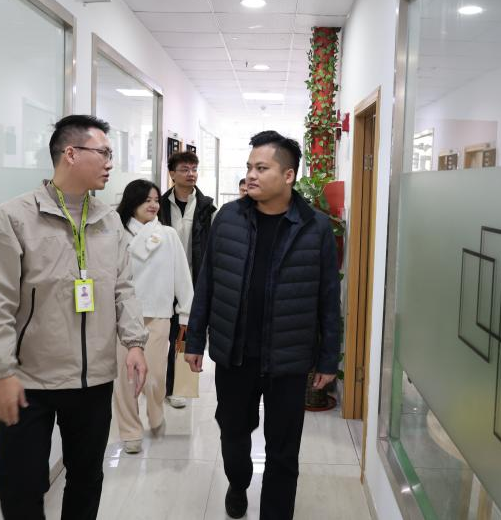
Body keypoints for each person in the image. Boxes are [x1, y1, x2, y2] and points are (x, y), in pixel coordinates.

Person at [0, 114, 148, 520]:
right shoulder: (13, 217)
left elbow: (123, 288)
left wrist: (135, 343)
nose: (110, 163)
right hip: (28, 379)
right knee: (19, 487)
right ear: (71, 153)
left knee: (86, 479)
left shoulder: (109, 221)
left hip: (93, 379)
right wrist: (1, 371)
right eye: (103, 153)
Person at [185, 131, 341, 520]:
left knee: (284, 450)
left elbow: (328, 297)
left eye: (261, 168)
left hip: (289, 359)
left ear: (288, 175)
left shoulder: (316, 227)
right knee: (233, 433)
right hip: (236, 354)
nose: (251, 175)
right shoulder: (228, 218)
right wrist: (195, 339)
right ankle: (238, 482)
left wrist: (328, 358)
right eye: (249, 167)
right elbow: (208, 282)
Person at [114, 179, 194, 454]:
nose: (153, 205)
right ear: (132, 202)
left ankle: (156, 411)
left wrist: (186, 314)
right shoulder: (117, 233)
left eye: (156, 200)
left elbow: (182, 276)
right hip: (123, 316)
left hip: (158, 314)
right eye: (147, 200)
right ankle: (130, 431)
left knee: (156, 376)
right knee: (125, 380)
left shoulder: (168, 235)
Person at [158, 150, 216, 408]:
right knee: (164, 335)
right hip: (163, 282)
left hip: (194, 280)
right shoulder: (160, 205)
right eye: (184, 169)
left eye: (194, 169)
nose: (191, 174)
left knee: (186, 335)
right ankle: (162, 383)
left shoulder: (206, 207)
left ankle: (179, 388)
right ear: (172, 173)